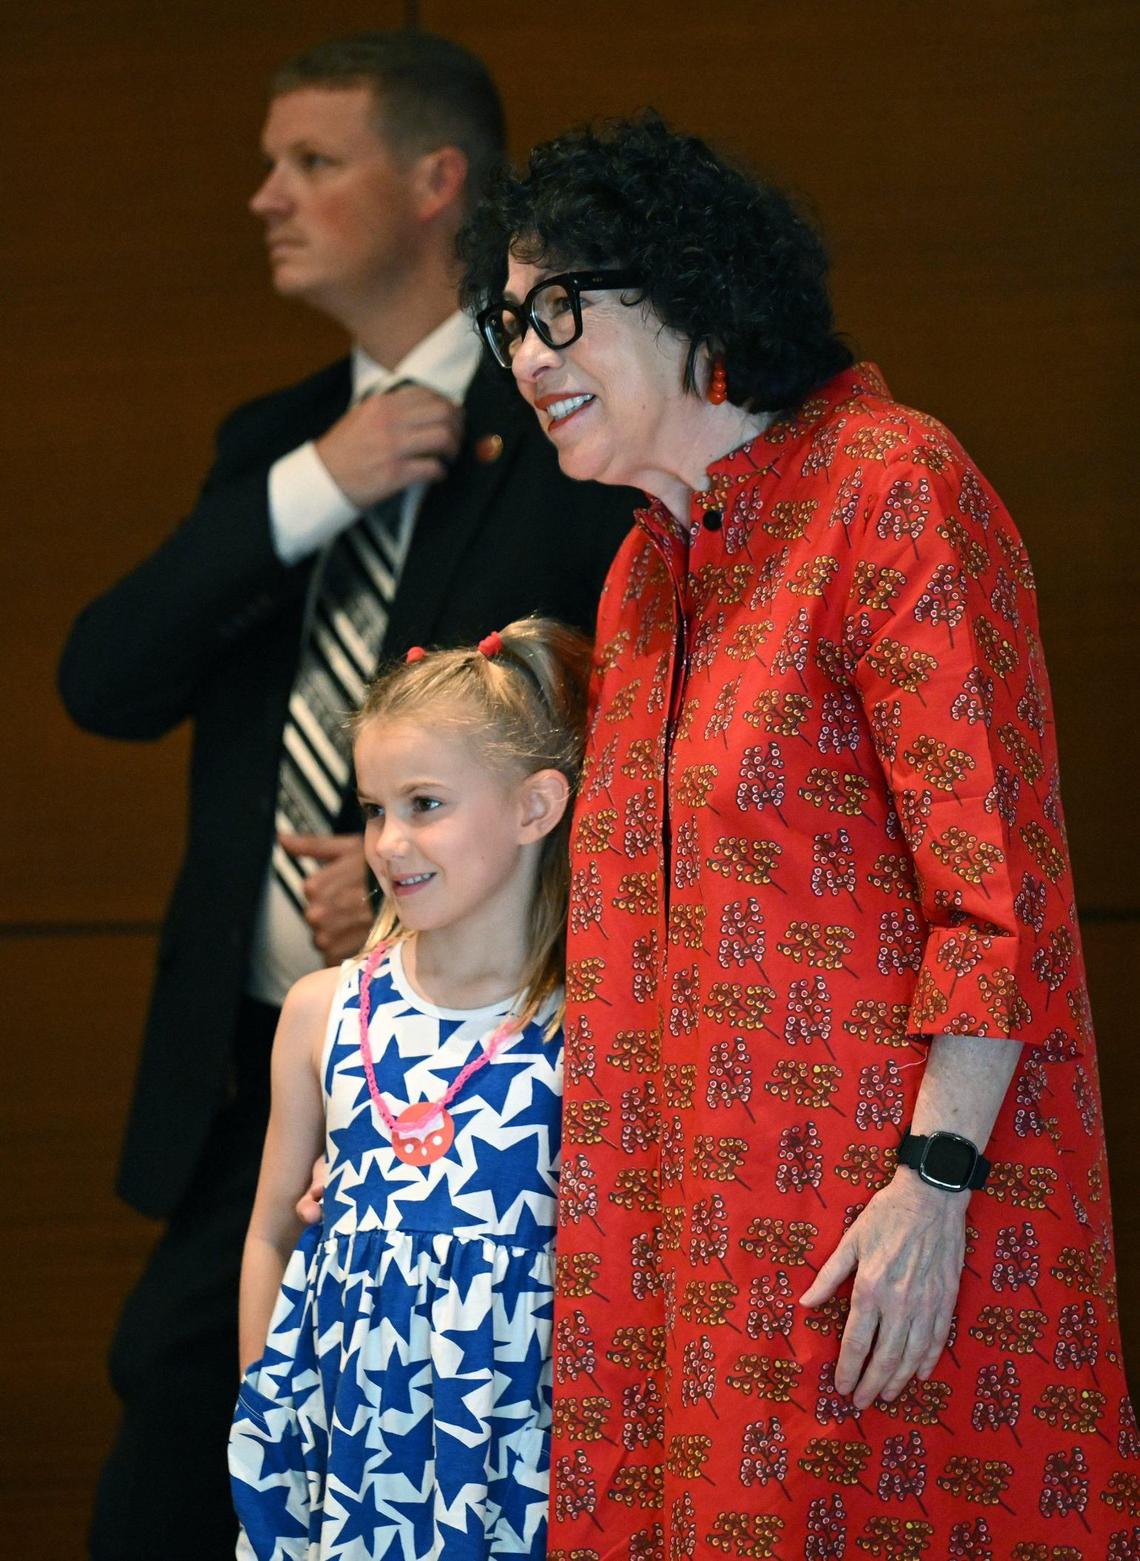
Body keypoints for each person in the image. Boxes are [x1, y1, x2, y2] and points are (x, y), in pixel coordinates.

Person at [459, 114, 1137, 1555]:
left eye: (561, 308)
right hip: (666, 1247)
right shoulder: (649, 571)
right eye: (507, 321)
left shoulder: (891, 487)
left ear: (696, 292)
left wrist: (935, 1187)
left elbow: (994, 890)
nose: (525, 357)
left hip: (878, 1238)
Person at [58, 33, 635, 1560]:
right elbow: (102, 680)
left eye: (312, 162)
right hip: (258, 1054)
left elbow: (626, 744)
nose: (266, 196)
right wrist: (322, 477)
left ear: (440, 182)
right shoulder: (277, 447)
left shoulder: (571, 438)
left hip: (493, 1088)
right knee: (179, 1446)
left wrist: (421, 883)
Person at [229, 617, 588, 1559]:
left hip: (528, 1467)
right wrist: (272, 1423)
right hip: (351, 1470)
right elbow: (272, 1230)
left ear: (536, 806)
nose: (389, 842)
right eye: (374, 807)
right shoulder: (321, 1012)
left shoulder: (586, 1030)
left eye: (425, 802)